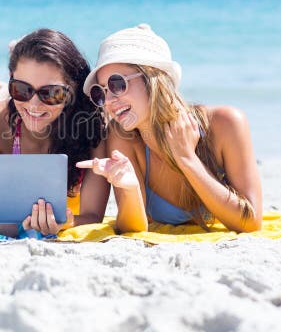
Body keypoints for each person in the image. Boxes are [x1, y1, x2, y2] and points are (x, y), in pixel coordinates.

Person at [77, 24, 262, 233]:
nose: (109, 100)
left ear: (153, 77)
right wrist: (129, 189)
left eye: (117, 85)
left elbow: (251, 223)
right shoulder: (122, 137)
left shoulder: (225, 123)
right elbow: (133, 229)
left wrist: (187, 160)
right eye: (100, 93)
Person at [0, 29, 109, 236]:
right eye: (21, 89)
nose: (34, 104)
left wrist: (66, 223)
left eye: (51, 93)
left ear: (72, 90)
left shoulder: (92, 129)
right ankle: (0, 93)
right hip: (1, 113)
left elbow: (92, 216)